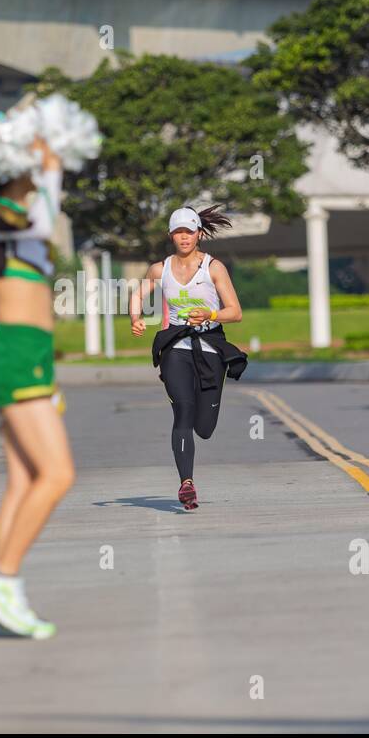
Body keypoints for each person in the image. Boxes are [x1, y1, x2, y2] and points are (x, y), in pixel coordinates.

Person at [0, 135, 75, 639]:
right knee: (58, 476)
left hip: (28, 359)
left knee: (25, 480)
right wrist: (53, 171)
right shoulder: (0, 217)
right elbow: (46, 220)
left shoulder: (21, 226)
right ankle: (1, 578)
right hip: (17, 358)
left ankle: (0, 597)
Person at [130, 206, 247, 511]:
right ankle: (186, 484)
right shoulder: (160, 269)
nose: (184, 237)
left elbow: (235, 312)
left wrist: (210, 314)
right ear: (171, 235)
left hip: (210, 347)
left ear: (198, 233)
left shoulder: (214, 268)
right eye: (178, 232)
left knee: (204, 428)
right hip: (175, 348)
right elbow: (138, 294)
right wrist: (136, 318)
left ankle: (197, 438)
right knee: (182, 410)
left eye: (189, 231)